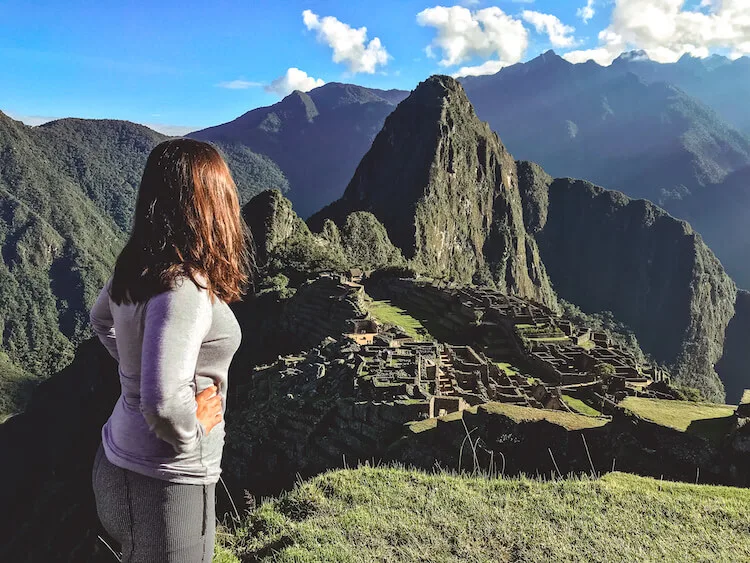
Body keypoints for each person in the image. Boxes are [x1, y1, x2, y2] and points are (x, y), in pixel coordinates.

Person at [89, 138, 252, 562]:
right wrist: (192, 430)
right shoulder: (185, 289)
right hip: (166, 484)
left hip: (114, 464)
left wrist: (134, 374)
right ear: (208, 203)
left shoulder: (137, 269)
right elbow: (163, 404)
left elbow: (100, 319)